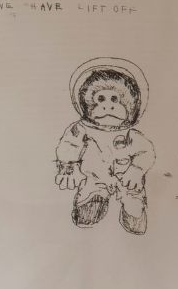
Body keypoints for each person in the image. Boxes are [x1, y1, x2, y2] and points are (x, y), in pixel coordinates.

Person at [55, 61, 154, 233]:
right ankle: (93, 203)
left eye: (114, 99)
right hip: (94, 175)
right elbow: (69, 144)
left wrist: (136, 170)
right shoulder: (82, 128)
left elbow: (145, 152)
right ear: (87, 103)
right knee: (89, 196)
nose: (108, 106)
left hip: (127, 178)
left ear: (130, 103)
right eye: (101, 99)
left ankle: (133, 214)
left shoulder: (131, 134)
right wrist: (67, 167)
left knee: (133, 197)